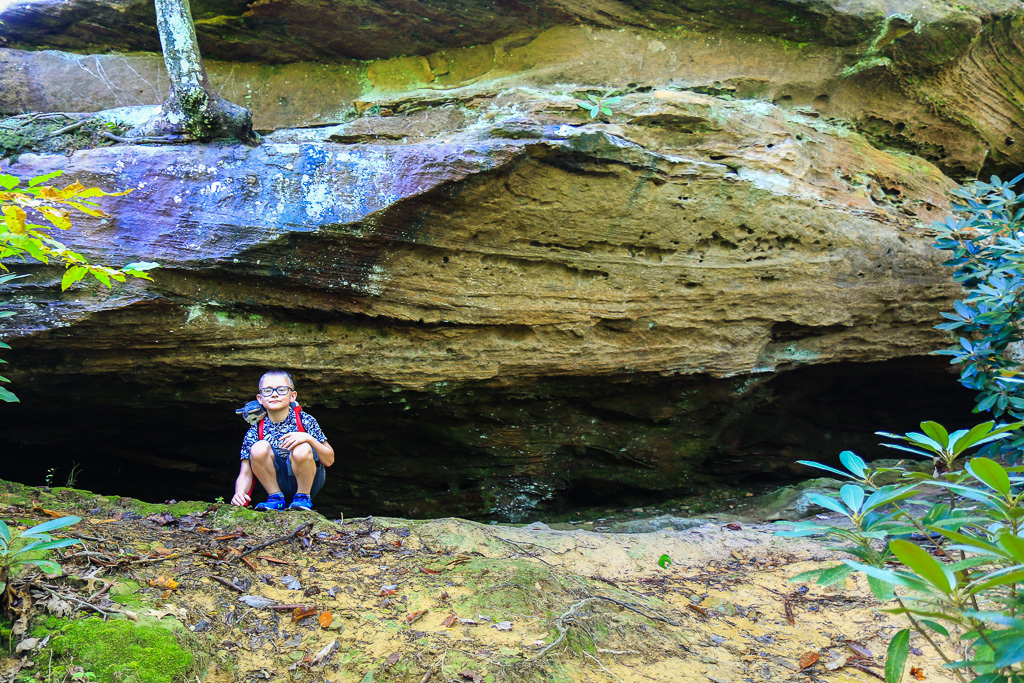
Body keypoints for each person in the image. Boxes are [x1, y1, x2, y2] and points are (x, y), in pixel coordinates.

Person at [231, 370, 335, 511]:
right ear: (260, 398)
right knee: (258, 447)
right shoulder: (255, 430)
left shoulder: (305, 421)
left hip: (308, 481)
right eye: (267, 391)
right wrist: (239, 493)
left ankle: (303, 498)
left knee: (302, 447)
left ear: (292, 396)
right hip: (276, 483)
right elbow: (245, 472)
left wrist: (308, 438)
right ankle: (275, 499)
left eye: (281, 390)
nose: (274, 394)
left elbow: (329, 460)